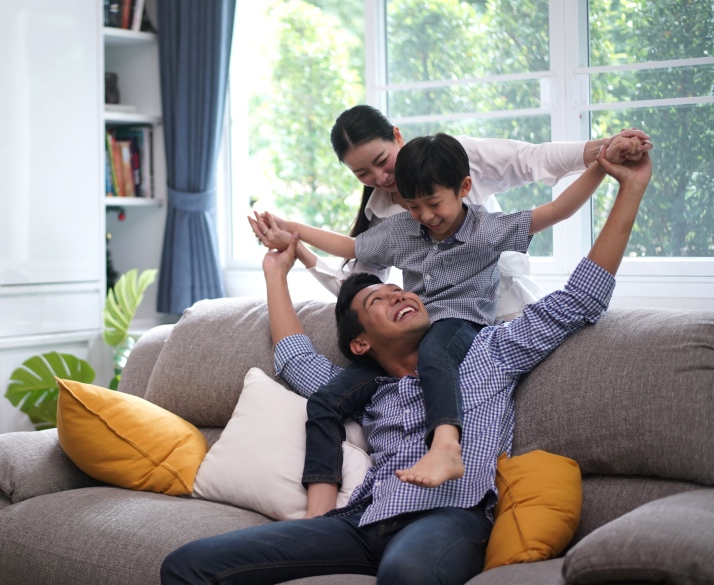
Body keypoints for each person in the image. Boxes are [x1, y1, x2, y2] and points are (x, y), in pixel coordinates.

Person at [161, 144, 652, 585]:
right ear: (361, 344)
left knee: (407, 573)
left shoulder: (489, 353)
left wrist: (630, 188)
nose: (399, 292)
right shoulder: (363, 387)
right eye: (378, 298)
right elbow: (294, 356)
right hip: (360, 522)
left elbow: (581, 297)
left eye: (398, 287)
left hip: (450, 515)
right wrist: (277, 271)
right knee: (187, 565)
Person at [251, 132, 640, 497]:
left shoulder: (488, 230)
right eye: (413, 205)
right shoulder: (401, 230)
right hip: (414, 333)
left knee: (435, 353)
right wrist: (293, 232)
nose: (425, 215)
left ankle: (445, 444)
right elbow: (352, 247)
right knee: (327, 398)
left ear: (464, 188)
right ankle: (319, 505)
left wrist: (601, 165)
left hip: (458, 323)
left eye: (434, 204)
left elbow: (558, 209)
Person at [253, 104, 651, 320]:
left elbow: (534, 164)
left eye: (382, 160)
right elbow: (358, 288)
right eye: (363, 173)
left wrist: (603, 152)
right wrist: (296, 242)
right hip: (434, 324)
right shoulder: (391, 227)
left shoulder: (452, 161)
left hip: (500, 308)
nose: (380, 176)